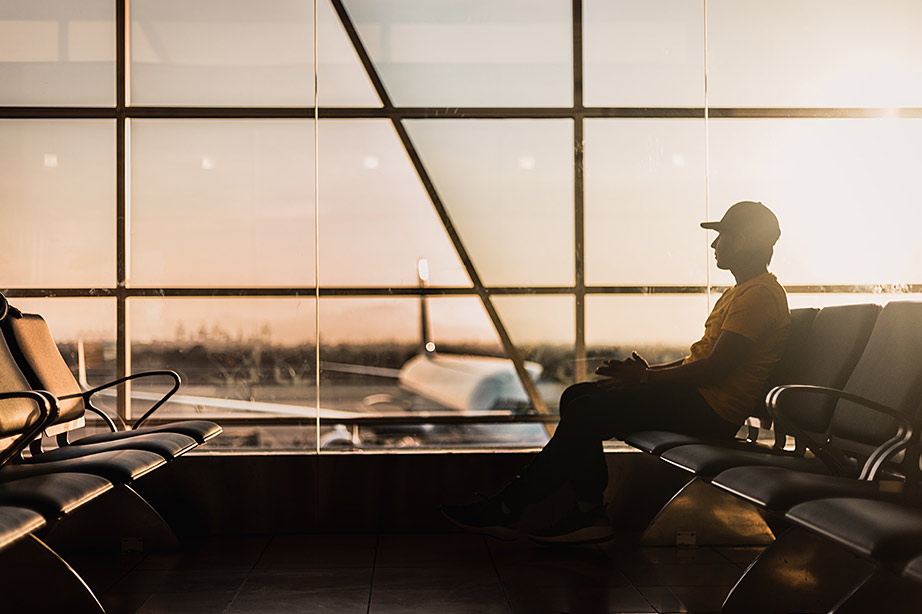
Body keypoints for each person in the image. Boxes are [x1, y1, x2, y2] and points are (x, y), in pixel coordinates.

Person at [442, 201, 790, 544]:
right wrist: (645, 373)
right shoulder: (741, 292)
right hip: (698, 401)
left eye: (722, 235)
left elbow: (715, 369)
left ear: (742, 239)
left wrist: (647, 379)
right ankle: (586, 511)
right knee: (577, 395)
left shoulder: (758, 296)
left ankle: (514, 506)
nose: (715, 245)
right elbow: (700, 361)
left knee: (586, 409)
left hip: (711, 412)